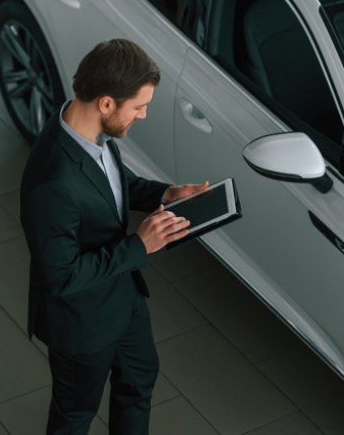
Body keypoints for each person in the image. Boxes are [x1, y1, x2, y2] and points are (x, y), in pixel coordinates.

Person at [20, 39, 208, 435]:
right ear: (106, 103)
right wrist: (139, 245)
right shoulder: (52, 181)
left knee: (138, 384)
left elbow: (111, 187)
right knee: (75, 414)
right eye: (139, 106)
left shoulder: (92, 135)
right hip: (80, 325)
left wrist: (164, 193)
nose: (142, 115)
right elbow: (60, 277)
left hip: (123, 299)